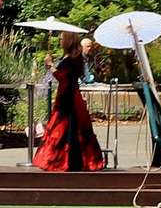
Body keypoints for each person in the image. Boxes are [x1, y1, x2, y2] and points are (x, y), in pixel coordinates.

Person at [33, 38, 107, 171]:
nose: (61, 40)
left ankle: (66, 160)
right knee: (68, 126)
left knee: (67, 126)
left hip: (68, 96)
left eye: (63, 38)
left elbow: (62, 77)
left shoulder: (72, 59)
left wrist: (50, 65)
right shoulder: (73, 58)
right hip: (69, 94)